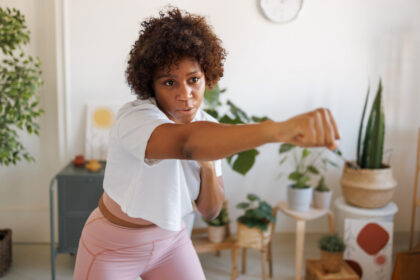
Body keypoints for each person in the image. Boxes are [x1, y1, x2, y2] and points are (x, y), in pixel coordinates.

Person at [73, 7, 340, 280]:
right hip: (115, 247)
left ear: (207, 77)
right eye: (169, 82)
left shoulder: (208, 127)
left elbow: (210, 211)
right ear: (150, 86)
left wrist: (208, 168)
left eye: (193, 80)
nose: (185, 94)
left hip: (171, 244)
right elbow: (187, 143)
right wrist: (277, 131)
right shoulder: (136, 117)